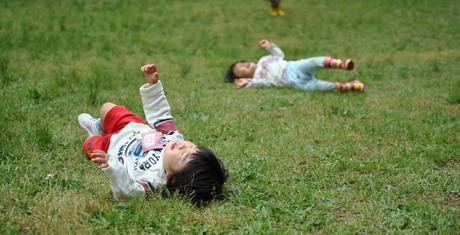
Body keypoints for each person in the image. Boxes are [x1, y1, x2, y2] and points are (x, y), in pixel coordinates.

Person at [78, 63, 229, 203]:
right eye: (192, 147)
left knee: (88, 145)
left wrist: (112, 167)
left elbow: (130, 193)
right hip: (131, 126)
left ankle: (99, 135)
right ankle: (99, 127)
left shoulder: (153, 180)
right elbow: (161, 116)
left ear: (172, 178)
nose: (184, 146)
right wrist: (153, 86)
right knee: (107, 107)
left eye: (183, 155)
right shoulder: (173, 138)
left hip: (111, 147)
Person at [225, 39, 364, 92]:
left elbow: (279, 55)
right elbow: (259, 84)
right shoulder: (257, 79)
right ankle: (352, 86)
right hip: (293, 82)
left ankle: (341, 64)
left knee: (315, 61)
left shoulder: (263, 60)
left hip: (293, 67)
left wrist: (270, 46)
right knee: (322, 87)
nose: (244, 65)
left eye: (243, 63)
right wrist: (247, 83)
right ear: (242, 76)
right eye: (240, 69)